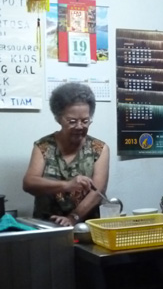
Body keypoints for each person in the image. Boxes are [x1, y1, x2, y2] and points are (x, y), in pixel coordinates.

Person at [23, 82, 110, 226]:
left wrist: (73, 217)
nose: (79, 127)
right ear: (58, 118)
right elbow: (29, 183)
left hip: (87, 229)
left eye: (85, 121)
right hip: (47, 226)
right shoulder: (43, 146)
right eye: (72, 121)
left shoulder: (99, 149)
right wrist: (67, 185)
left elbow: (98, 191)